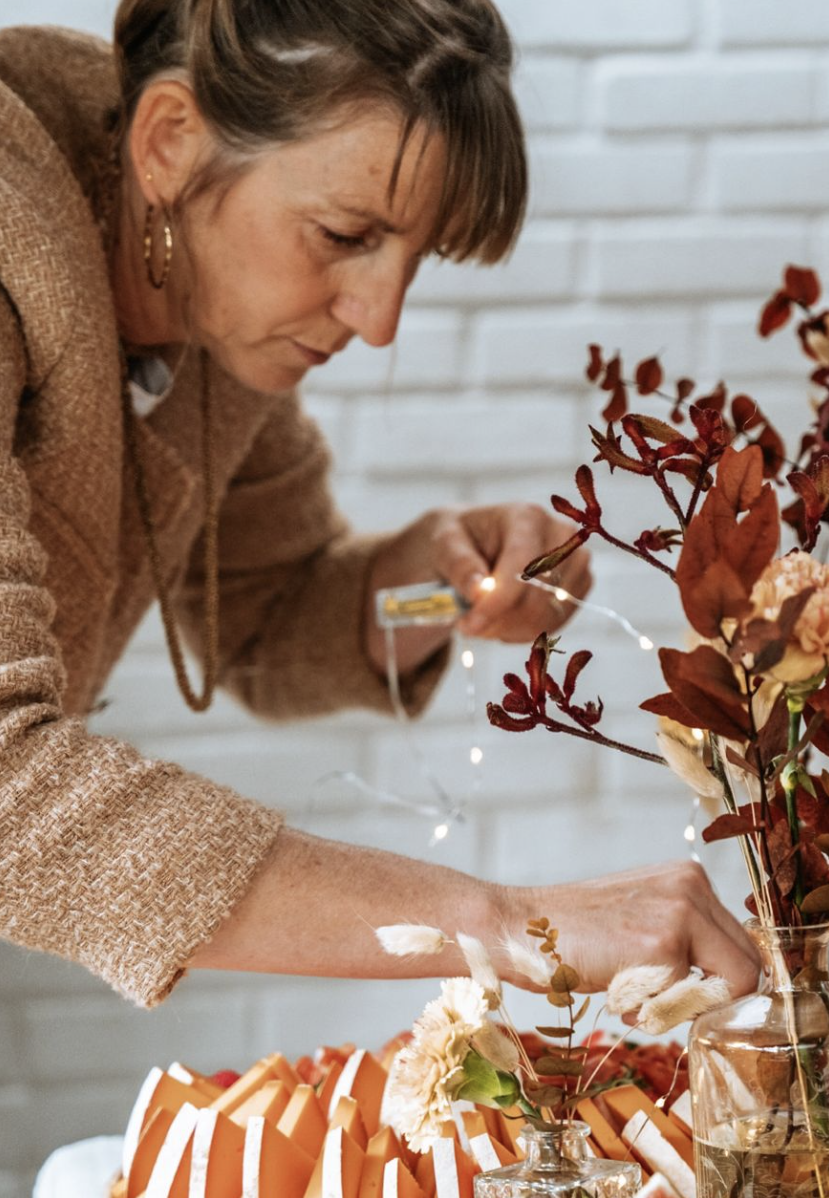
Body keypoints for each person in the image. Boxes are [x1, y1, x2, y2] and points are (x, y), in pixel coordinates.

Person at [0, 0, 759, 1013]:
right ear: (170, 141)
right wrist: (501, 923)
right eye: (346, 234)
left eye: (415, 258)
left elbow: (268, 614)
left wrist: (425, 586)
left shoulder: (206, 301)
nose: (380, 318)